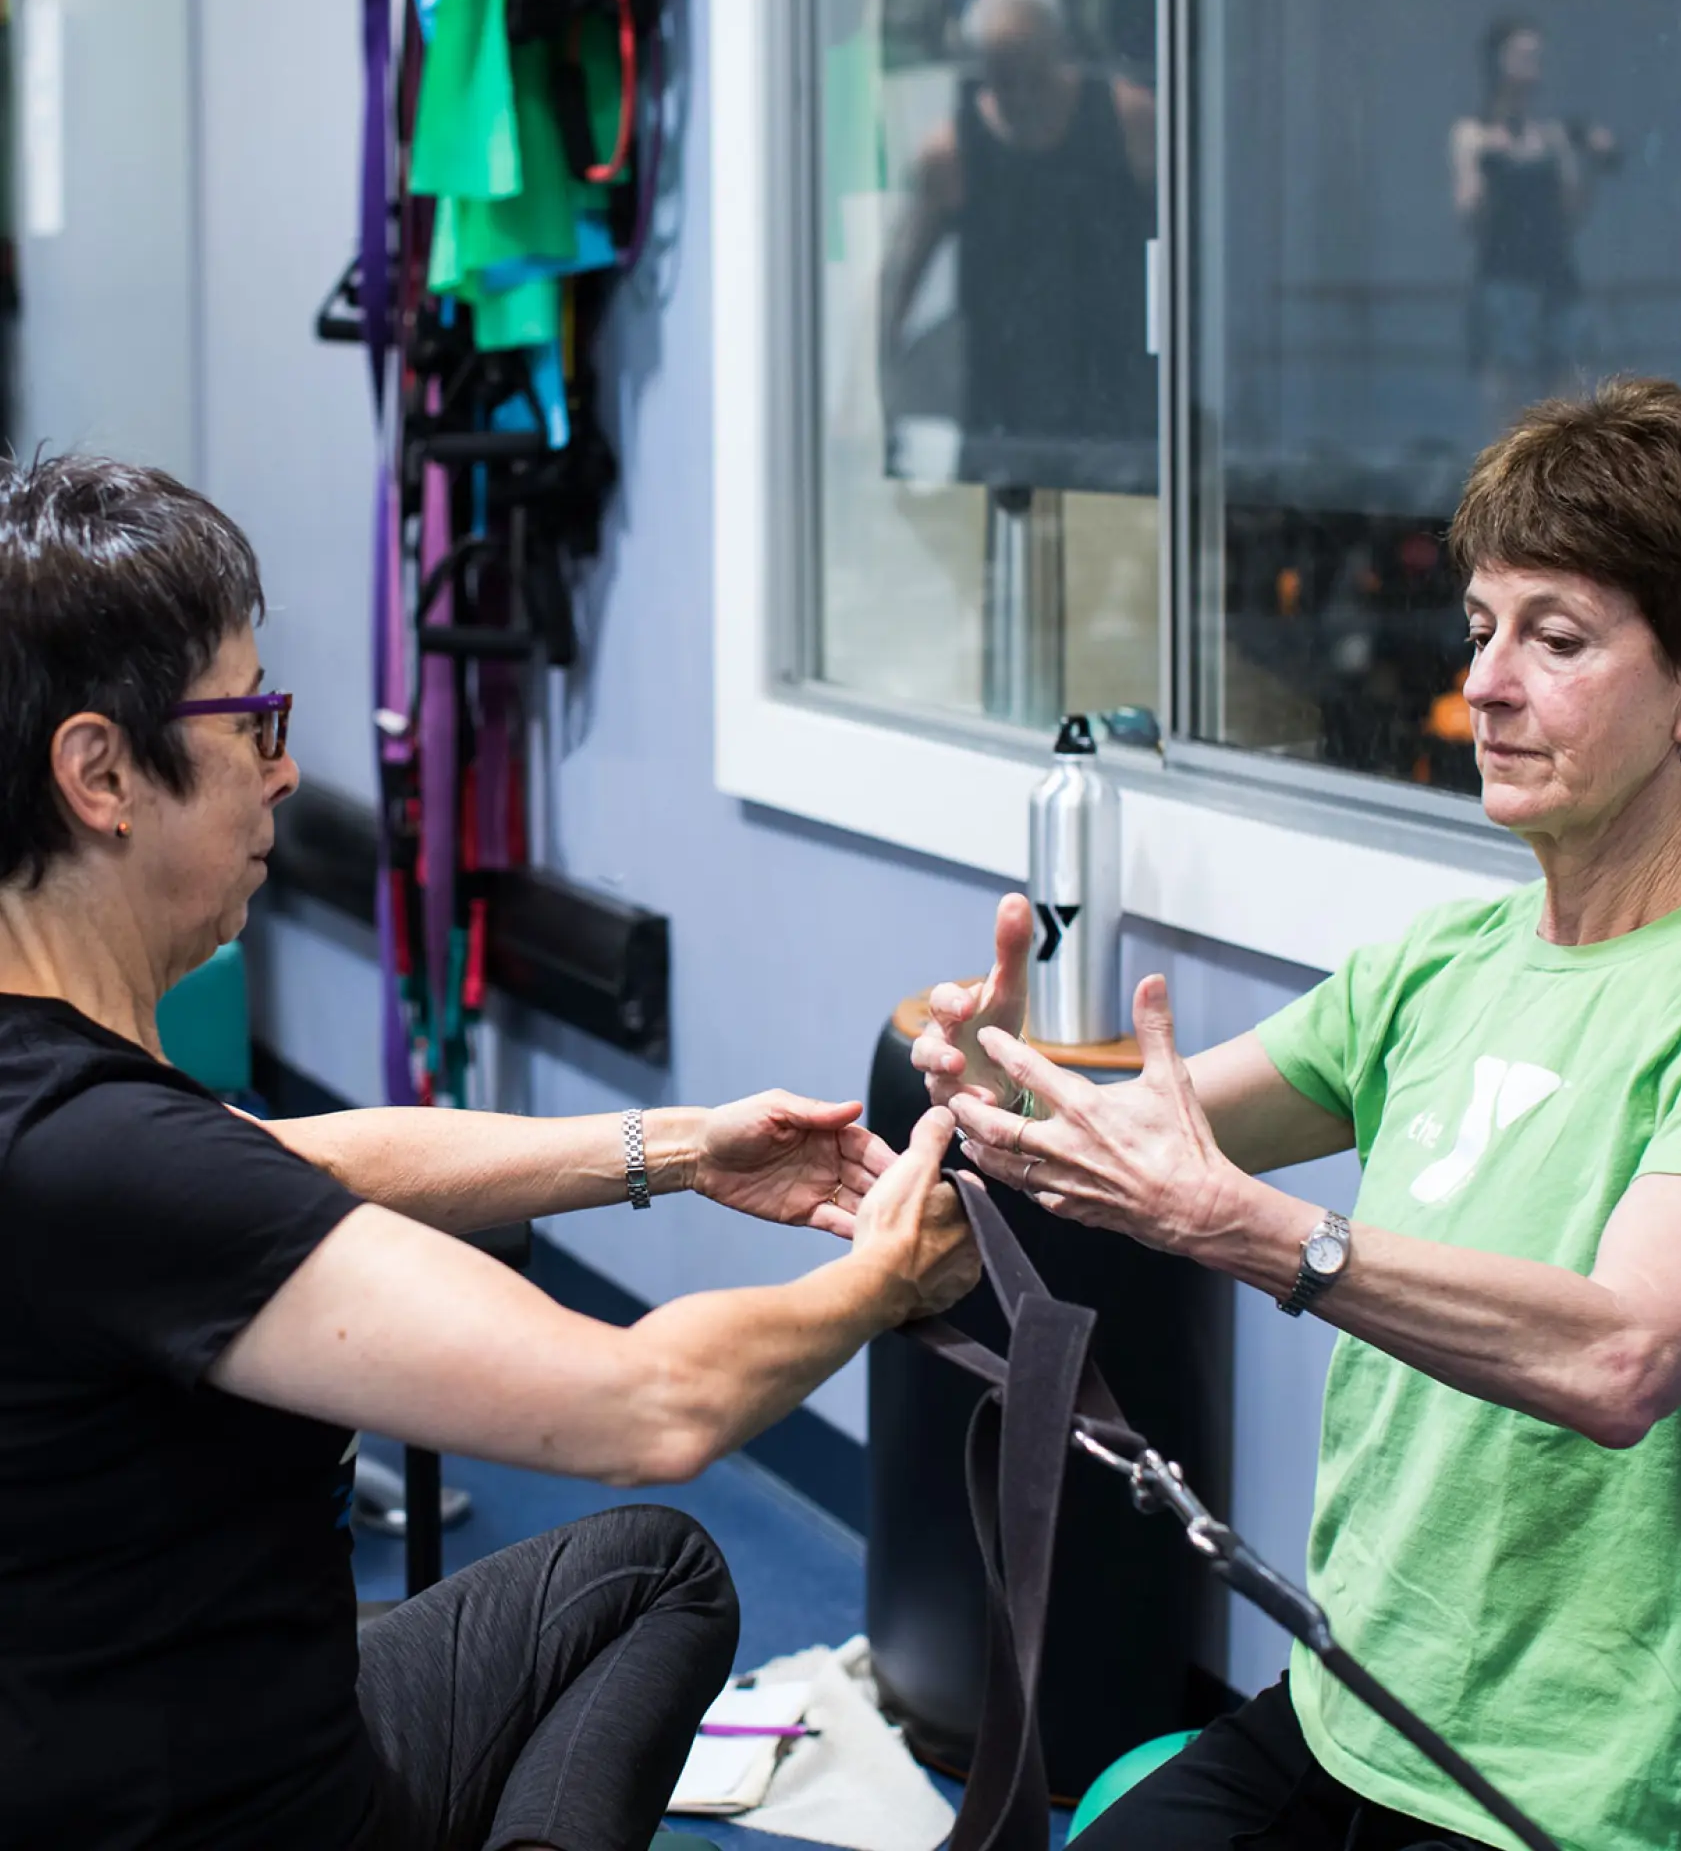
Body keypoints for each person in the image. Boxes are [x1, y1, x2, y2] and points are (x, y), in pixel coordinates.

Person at [914, 379, 1681, 1851]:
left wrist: (1264, 1236)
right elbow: (1153, 1144)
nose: (1487, 686)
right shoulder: (1434, 968)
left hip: (1560, 1797)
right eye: (1481, 629)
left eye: (1558, 639)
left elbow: (1624, 1355)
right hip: (1338, 1704)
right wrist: (998, 1092)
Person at [0, 454, 980, 1851]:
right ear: (101, 773)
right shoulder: (104, 1159)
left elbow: (288, 1163)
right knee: (657, 1531)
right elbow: (651, 1407)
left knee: (649, 1580)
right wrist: (884, 1279)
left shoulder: (61, 1101)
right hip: (223, 1813)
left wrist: (683, 1149)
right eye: (254, 721)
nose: (285, 770)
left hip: (147, 1725)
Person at [880, 0, 1157, 461]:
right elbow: (900, 279)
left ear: (1062, 53)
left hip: (1119, 389)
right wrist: (872, 395)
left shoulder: (1131, 121)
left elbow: (1193, 243)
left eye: (1036, 76)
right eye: (1004, 79)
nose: (1023, 96)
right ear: (980, 70)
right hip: (1004, 404)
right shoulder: (949, 155)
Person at [1450, 19, 1615, 434]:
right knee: (1505, 395)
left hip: (1556, 275)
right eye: (1522, 55)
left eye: (1535, 56)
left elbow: (1571, 212)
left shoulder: (1551, 137)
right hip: (1505, 277)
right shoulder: (1474, 134)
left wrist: (1592, 165)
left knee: (1568, 394)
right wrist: (1486, 174)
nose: (1531, 65)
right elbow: (1467, 214)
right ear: (1497, 61)